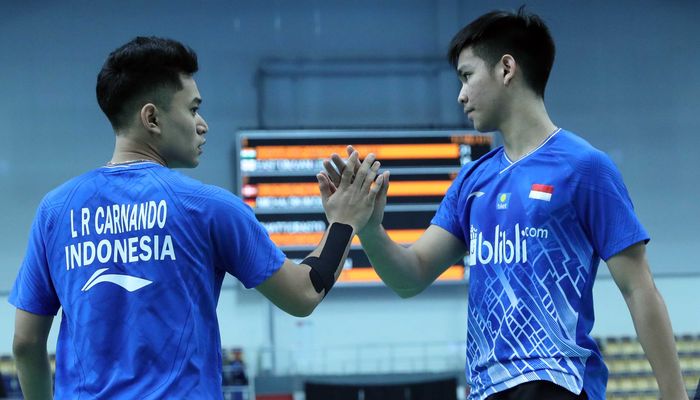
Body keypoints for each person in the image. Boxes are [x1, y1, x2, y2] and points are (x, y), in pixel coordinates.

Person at [318, 8, 687, 400]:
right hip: (485, 388)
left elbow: (638, 288)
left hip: (554, 381)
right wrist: (371, 229)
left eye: (466, 76)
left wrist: (674, 394)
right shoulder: (472, 182)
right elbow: (412, 276)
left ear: (506, 69)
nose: (460, 94)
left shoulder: (585, 168)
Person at [9, 36, 385, 399]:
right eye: (192, 109)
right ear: (152, 118)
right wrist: (343, 221)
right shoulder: (208, 208)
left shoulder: (55, 211)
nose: (202, 124)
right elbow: (304, 293)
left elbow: (25, 343)